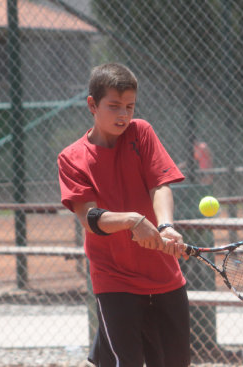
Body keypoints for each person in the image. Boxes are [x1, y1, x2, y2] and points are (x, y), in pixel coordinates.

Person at [57, 63, 190, 367]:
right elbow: (90, 219)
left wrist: (166, 226)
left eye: (129, 106)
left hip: (164, 276)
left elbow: (160, 184)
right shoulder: (71, 158)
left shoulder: (141, 132)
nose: (123, 115)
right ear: (92, 104)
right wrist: (133, 220)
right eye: (114, 106)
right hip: (114, 279)